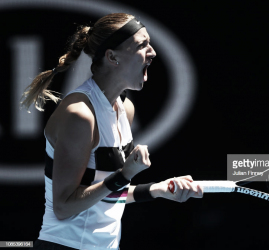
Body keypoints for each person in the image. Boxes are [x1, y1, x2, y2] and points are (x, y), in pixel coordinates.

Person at [21, 13, 203, 250]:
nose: (153, 52)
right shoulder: (80, 115)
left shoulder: (125, 109)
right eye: (142, 45)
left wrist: (156, 190)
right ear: (112, 57)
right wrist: (124, 175)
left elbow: (101, 196)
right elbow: (64, 207)